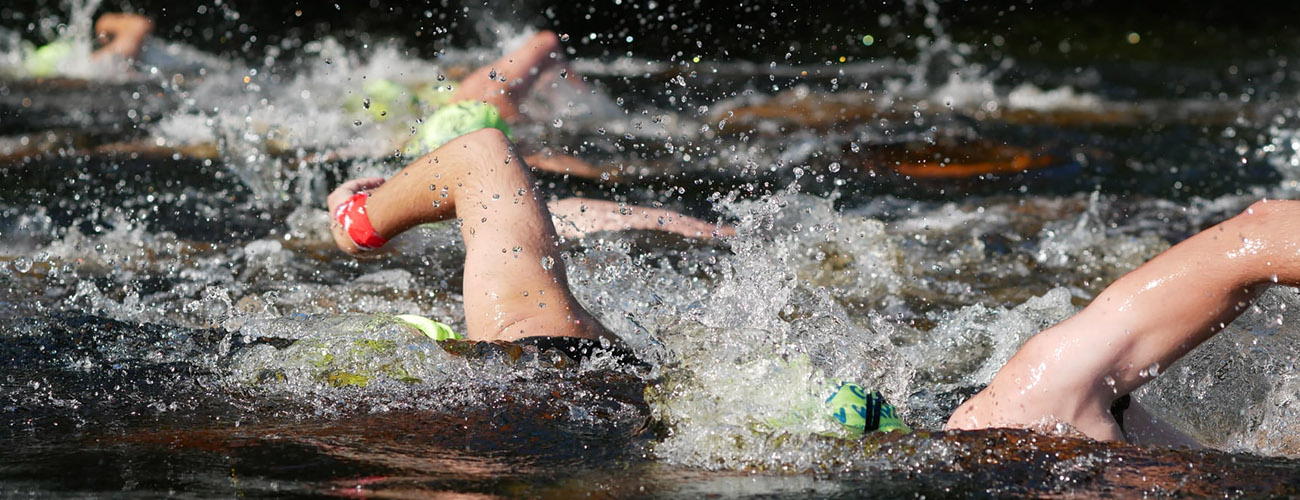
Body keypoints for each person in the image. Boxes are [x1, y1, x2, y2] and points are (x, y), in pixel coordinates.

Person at [945, 199, 1300, 447]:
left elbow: (1265, 233)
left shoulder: (1038, 394)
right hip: (1041, 416)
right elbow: (1263, 231)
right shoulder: (1039, 394)